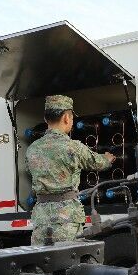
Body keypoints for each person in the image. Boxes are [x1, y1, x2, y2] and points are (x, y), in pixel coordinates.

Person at [26, 95, 114, 245]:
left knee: (41, 264)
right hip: (66, 221)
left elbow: (30, 171)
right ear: (67, 118)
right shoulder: (73, 147)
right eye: (72, 118)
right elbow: (97, 163)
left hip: (41, 219)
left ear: (46, 119)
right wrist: (108, 158)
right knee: (69, 264)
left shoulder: (32, 149)